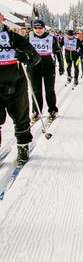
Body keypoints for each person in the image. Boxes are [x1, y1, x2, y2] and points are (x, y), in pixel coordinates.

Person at [0, 12, 41, 165]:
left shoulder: (13, 37)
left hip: (15, 84)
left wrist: (25, 56)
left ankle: (23, 147)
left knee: (20, 118)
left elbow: (35, 57)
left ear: (2, 18)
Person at [27, 19, 65, 123]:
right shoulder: (29, 37)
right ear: (33, 28)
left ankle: (52, 110)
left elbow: (58, 52)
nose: (38, 30)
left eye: (40, 28)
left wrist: (61, 66)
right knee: (36, 90)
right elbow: (23, 51)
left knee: (50, 90)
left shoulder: (51, 38)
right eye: (36, 28)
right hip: (34, 67)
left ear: (44, 28)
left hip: (48, 66)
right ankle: (36, 111)